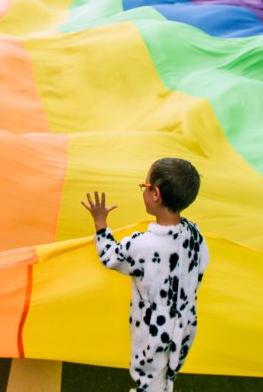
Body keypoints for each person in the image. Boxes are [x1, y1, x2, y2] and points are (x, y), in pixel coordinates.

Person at [81, 158, 209, 392]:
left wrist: (100, 224)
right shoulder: (195, 235)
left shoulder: (142, 245)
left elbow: (110, 256)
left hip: (152, 329)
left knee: (148, 379)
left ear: (155, 193)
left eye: (145, 186)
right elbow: (202, 265)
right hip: (185, 323)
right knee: (167, 372)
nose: (144, 190)